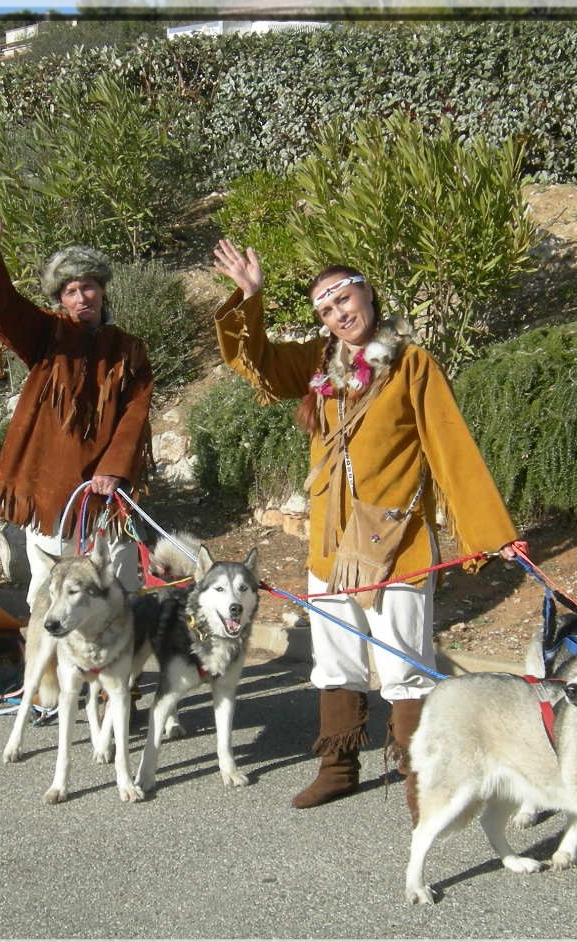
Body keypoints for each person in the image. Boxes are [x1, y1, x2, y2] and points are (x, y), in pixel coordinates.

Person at [211, 238, 526, 818]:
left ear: (368, 295)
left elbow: (450, 447)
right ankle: (337, 767)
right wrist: (249, 297)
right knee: (334, 658)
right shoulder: (316, 365)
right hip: (330, 544)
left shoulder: (412, 364)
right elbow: (249, 359)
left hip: (396, 543)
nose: (339, 314)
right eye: (326, 311)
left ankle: (421, 779)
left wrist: (489, 533)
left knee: (404, 664)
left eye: (345, 300)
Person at [0, 200, 153, 609]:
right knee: (51, 589)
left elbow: (136, 413)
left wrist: (114, 469)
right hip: (51, 487)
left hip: (105, 489)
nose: (81, 297)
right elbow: (8, 312)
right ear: (60, 299)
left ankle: (115, 670)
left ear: (102, 289)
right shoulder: (47, 335)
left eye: (88, 286)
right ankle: (47, 667)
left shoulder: (129, 349)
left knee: (116, 581)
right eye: (70, 290)